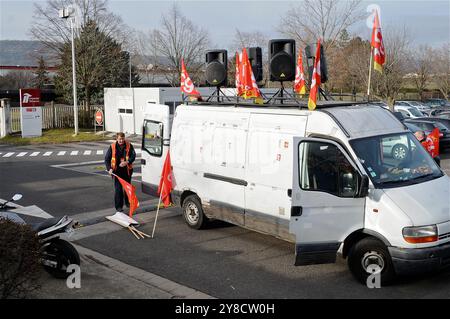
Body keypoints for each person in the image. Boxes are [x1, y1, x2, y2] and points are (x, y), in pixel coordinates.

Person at [105, 132, 136, 213]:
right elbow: (107, 159)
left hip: (127, 171)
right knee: (118, 190)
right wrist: (109, 169)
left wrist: (127, 162)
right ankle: (119, 207)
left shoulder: (129, 145)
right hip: (116, 171)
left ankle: (128, 203)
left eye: (122, 139)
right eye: (120, 139)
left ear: (124, 138)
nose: (121, 141)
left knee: (127, 189)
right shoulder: (112, 146)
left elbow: (133, 155)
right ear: (116, 139)